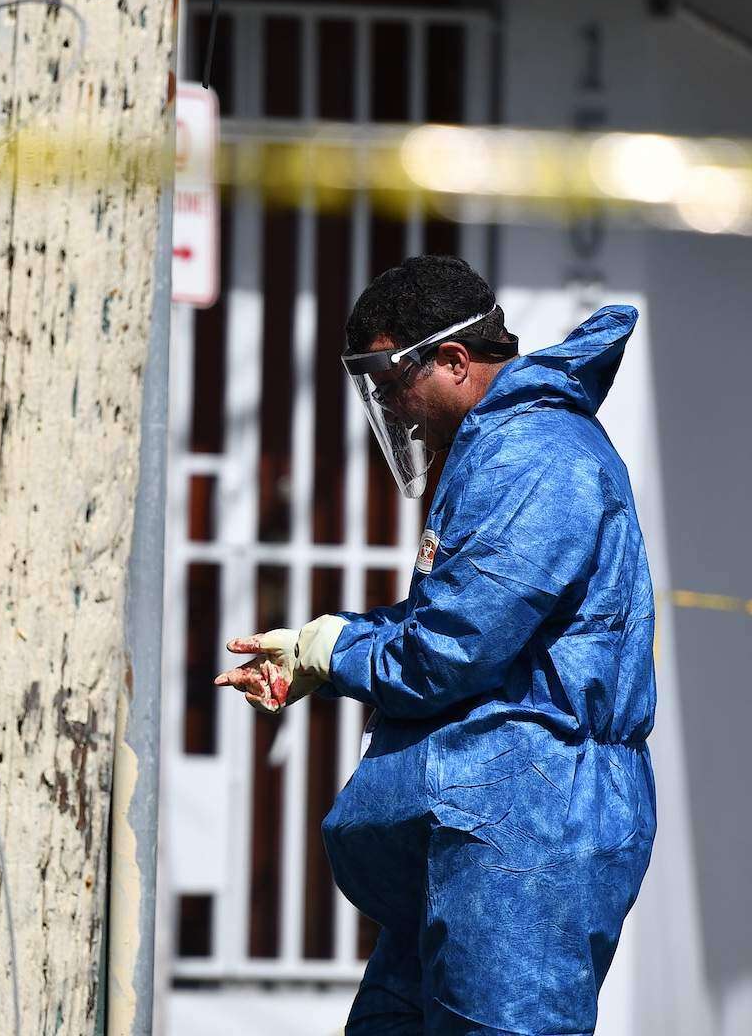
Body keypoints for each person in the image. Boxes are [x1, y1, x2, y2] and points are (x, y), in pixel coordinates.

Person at [214, 256, 656, 1034]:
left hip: (531, 828)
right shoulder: (503, 447)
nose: (392, 407)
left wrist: (338, 654)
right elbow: (456, 622)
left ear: (454, 360)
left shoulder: (537, 453)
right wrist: (331, 642)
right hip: (479, 829)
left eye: (393, 382)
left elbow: (453, 649)